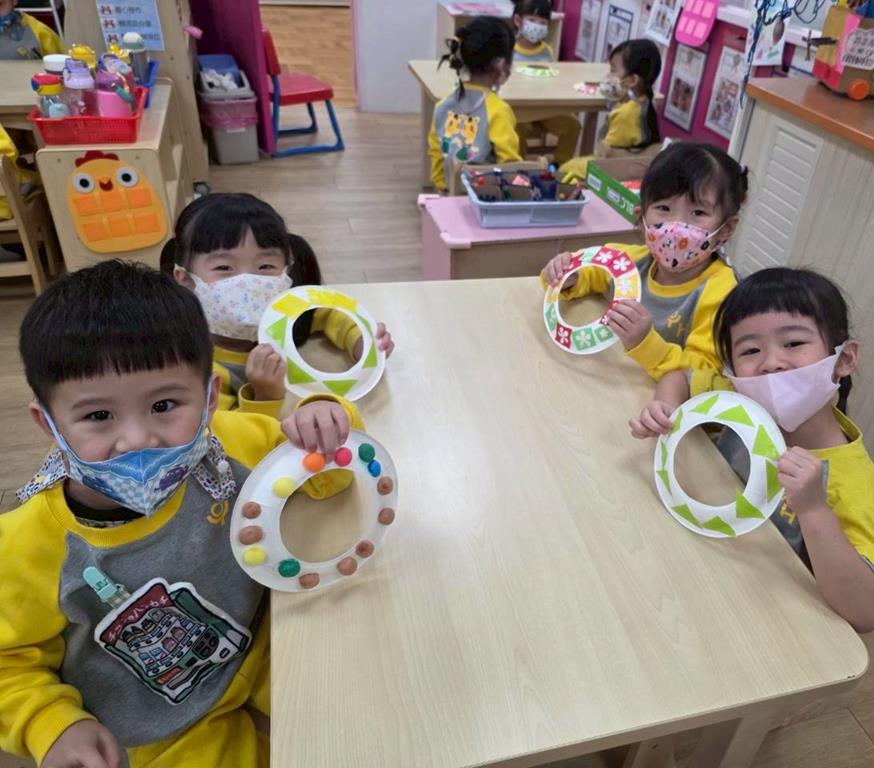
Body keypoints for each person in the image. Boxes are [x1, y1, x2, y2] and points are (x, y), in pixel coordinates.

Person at [0, 261, 362, 767]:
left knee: (366, 716)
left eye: (165, 405)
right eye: (99, 415)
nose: (137, 440)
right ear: (49, 424)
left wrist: (323, 417)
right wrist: (51, 723)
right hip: (161, 724)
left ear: (211, 398)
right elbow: (8, 662)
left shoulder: (229, 445)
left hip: (266, 648)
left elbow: (329, 476)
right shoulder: (25, 544)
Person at [631, 268, 874, 633]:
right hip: (691, 566)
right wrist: (666, 409)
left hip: (758, 616)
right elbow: (679, 377)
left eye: (793, 343)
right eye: (751, 350)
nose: (771, 362)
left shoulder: (849, 477)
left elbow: (867, 612)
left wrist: (814, 509)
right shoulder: (737, 400)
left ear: (844, 358)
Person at [168, 194, 394, 416]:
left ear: (286, 270)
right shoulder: (192, 367)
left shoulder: (284, 314)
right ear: (185, 280)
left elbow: (323, 314)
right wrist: (264, 396)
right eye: (224, 268)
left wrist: (361, 342)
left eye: (265, 266)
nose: (249, 283)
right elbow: (224, 432)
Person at [542, 142, 745, 381]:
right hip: (601, 377)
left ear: (726, 228)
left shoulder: (722, 293)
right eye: (664, 208)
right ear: (642, 217)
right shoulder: (628, 261)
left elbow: (704, 372)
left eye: (698, 213)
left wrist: (645, 342)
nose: (676, 227)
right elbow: (590, 273)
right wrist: (567, 276)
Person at [428, 16, 521, 192]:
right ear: (502, 65)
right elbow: (509, 165)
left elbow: (436, 151)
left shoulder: (442, 105)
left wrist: (443, 189)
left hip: (449, 192)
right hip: (484, 197)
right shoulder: (498, 110)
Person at [559, 39, 662, 181]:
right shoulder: (645, 102)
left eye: (613, 70)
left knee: (566, 168)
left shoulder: (625, 113)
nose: (609, 75)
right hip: (633, 166)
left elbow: (605, 155)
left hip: (616, 171)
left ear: (632, 80)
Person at [511, 0, 581, 166]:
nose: (538, 26)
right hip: (517, 108)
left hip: (544, 106)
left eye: (543, 22)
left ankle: (560, 164)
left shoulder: (547, 51)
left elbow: (552, 78)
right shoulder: (509, 49)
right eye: (532, 20)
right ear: (518, 21)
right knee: (517, 130)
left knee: (573, 125)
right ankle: (519, 166)